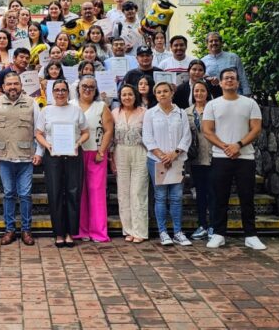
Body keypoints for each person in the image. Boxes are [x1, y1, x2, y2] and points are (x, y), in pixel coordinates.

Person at [202, 67, 265, 250]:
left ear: (238, 83)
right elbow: (207, 130)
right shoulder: (212, 105)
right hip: (220, 156)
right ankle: (218, 234)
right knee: (219, 197)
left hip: (245, 157)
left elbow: (256, 129)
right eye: (226, 78)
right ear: (220, 83)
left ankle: (251, 235)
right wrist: (225, 147)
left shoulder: (250, 103)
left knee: (247, 197)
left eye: (233, 78)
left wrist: (238, 145)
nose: (229, 81)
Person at [0, 72, 41, 245]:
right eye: (9, 84)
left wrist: (39, 152)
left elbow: (39, 131)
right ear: (3, 87)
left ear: (21, 86)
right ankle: (9, 229)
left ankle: (26, 230)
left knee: (25, 195)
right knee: (8, 194)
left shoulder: (31, 103)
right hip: (4, 158)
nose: (12, 87)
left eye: (16, 83)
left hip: (26, 158)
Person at [35, 79, 89, 248]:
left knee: (73, 192)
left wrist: (78, 143)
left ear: (68, 92)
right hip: (53, 156)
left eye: (63, 90)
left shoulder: (76, 110)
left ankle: (70, 233)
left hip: (73, 155)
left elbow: (85, 132)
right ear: (52, 93)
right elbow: (38, 133)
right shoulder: (46, 111)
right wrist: (47, 145)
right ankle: (59, 233)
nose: (60, 93)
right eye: (57, 90)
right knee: (55, 193)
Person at [143, 81, 193, 246]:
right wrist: (162, 155)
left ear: (172, 93)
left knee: (177, 197)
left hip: (177, 161)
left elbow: (186, 136)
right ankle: (163, 232)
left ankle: (178, 232)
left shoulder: (181, 113)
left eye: (165, 91)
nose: (162, 94)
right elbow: (147, 137)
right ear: (155, 95)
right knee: (160, 197)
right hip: (157, 161)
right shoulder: (150, 113)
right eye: (159, 92)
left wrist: (174, 154)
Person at [74, 75, 113, 243]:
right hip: (75, 154)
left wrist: (101, 151)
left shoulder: (101, 106)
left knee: (96, 193)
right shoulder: (71, 105)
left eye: (91, 87)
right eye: (84, 86)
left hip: (96, 153)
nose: (87, 89)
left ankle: (98, 232)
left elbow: (108, 130)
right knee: (79, 193)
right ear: (78, 88)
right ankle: (81, 231)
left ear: (96, 89)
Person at [111, 84, 148, 243]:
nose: (127, 97)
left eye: (130, 94)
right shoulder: (114, 113)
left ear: (135, 96)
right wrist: (111, 158)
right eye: (124, 95)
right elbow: (111, 137)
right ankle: (128, 229)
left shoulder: (144, 112)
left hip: (140, 151)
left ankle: (140, 231)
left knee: (138, 191)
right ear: (120, 97)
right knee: (123, 192)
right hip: (120, 152)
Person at [186, 80, 215, 241]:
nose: (199, 94)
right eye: (196, 91)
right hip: (195, 159)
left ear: (207, 93)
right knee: (200, 193)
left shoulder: (214, 110)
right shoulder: (186, 112)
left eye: (202, 90)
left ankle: (214, 226)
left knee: (214, 193)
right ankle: (202, 225)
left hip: (213, 157)